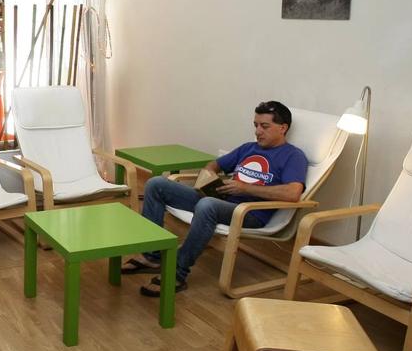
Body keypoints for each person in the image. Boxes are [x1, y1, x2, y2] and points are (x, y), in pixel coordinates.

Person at [128, 101, 307, 297]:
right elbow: (215, 164)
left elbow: (292, 193)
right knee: (156, 184)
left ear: (283, 128)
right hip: (220, 199)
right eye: (255, 125)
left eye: (264, 126)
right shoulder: (249, 148)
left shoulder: (293, 156)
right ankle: (152, 256)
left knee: (207, 205)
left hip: (249, 212)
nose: (258, 131)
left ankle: (176, 273)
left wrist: (245, 188)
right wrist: (209, 174)